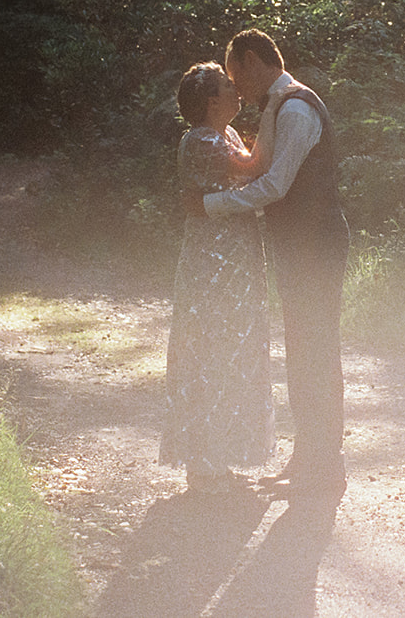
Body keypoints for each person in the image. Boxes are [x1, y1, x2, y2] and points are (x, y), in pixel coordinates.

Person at [189, 28, 349, 501]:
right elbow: (258, 165)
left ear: (255, 61)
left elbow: (277, 185)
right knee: (303, 349)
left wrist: (210, 206)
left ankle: (324, 468)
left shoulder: (297, 109)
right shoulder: (278, 108)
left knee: (317, 350)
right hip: (300, 246)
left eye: (237, 73)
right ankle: (309, 460)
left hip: (317, 245)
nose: (236, 87)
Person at [161, 61, 278, 494]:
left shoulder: (220, 135)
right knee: (213, 352)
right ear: (213, 101)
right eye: (230, 86)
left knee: (228, 351)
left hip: (230, 258)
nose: (238, 92)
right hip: (215, 265)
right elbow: (256, 167)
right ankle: (205, 468)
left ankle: (216, 463)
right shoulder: (203, 140)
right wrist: (274, 110)